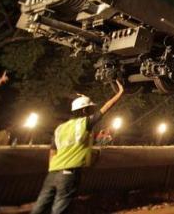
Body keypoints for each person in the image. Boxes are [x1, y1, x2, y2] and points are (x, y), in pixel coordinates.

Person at [30, 80, 125, 214]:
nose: (93, 111)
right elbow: (106, 108)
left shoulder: (60, 128)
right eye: (91, 109)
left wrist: (55, 169)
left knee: (39, 207)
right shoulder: (85, 123)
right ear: (85, 110)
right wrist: (120, 93)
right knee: (59, 209)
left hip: (52, 173)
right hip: (68, 174)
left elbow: (52, 152)